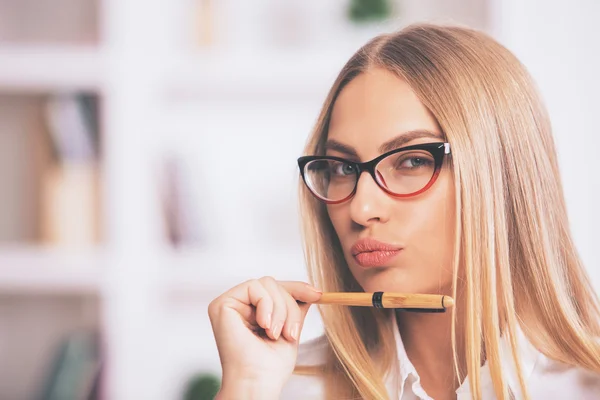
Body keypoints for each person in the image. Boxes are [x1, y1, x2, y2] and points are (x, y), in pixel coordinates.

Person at [208, 23, 600, 399]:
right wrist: (247, 388)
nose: (360, 209)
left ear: (500, 173)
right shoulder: (281, 386)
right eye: (343, 169)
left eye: (411, 161)